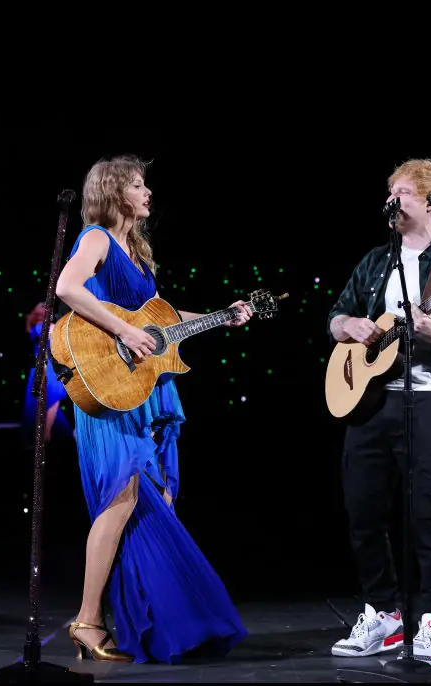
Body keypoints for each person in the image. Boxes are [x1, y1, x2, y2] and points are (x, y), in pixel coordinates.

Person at [54, 155, 250, 664]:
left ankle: (152, 619)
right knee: (120, 498)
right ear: (116, 192)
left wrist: (221, 317)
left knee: (152, 499)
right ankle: (87, 620)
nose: (147, 194)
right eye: (138, 185)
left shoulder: (138, 255)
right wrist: (123, 331)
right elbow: (67, 288)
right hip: (107, 388)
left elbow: (159, 320)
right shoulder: (95, 238)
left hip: (141, 390)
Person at [326, 158, 431, 668]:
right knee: (363, 513)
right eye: (390, 192)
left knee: (429, 514)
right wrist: (350, 325)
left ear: (430, 201)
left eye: (400, 192)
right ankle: (383, 615)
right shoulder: (376, 260)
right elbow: (335, 316)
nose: (391, 200)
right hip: (370, 401)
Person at [21, 302, 73, 444]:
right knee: (51, 397)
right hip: (47, 368)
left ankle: (46, 434)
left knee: (48, 400)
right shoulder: (43, 328)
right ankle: (46, 435)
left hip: (43, 368)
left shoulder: (36, 328)